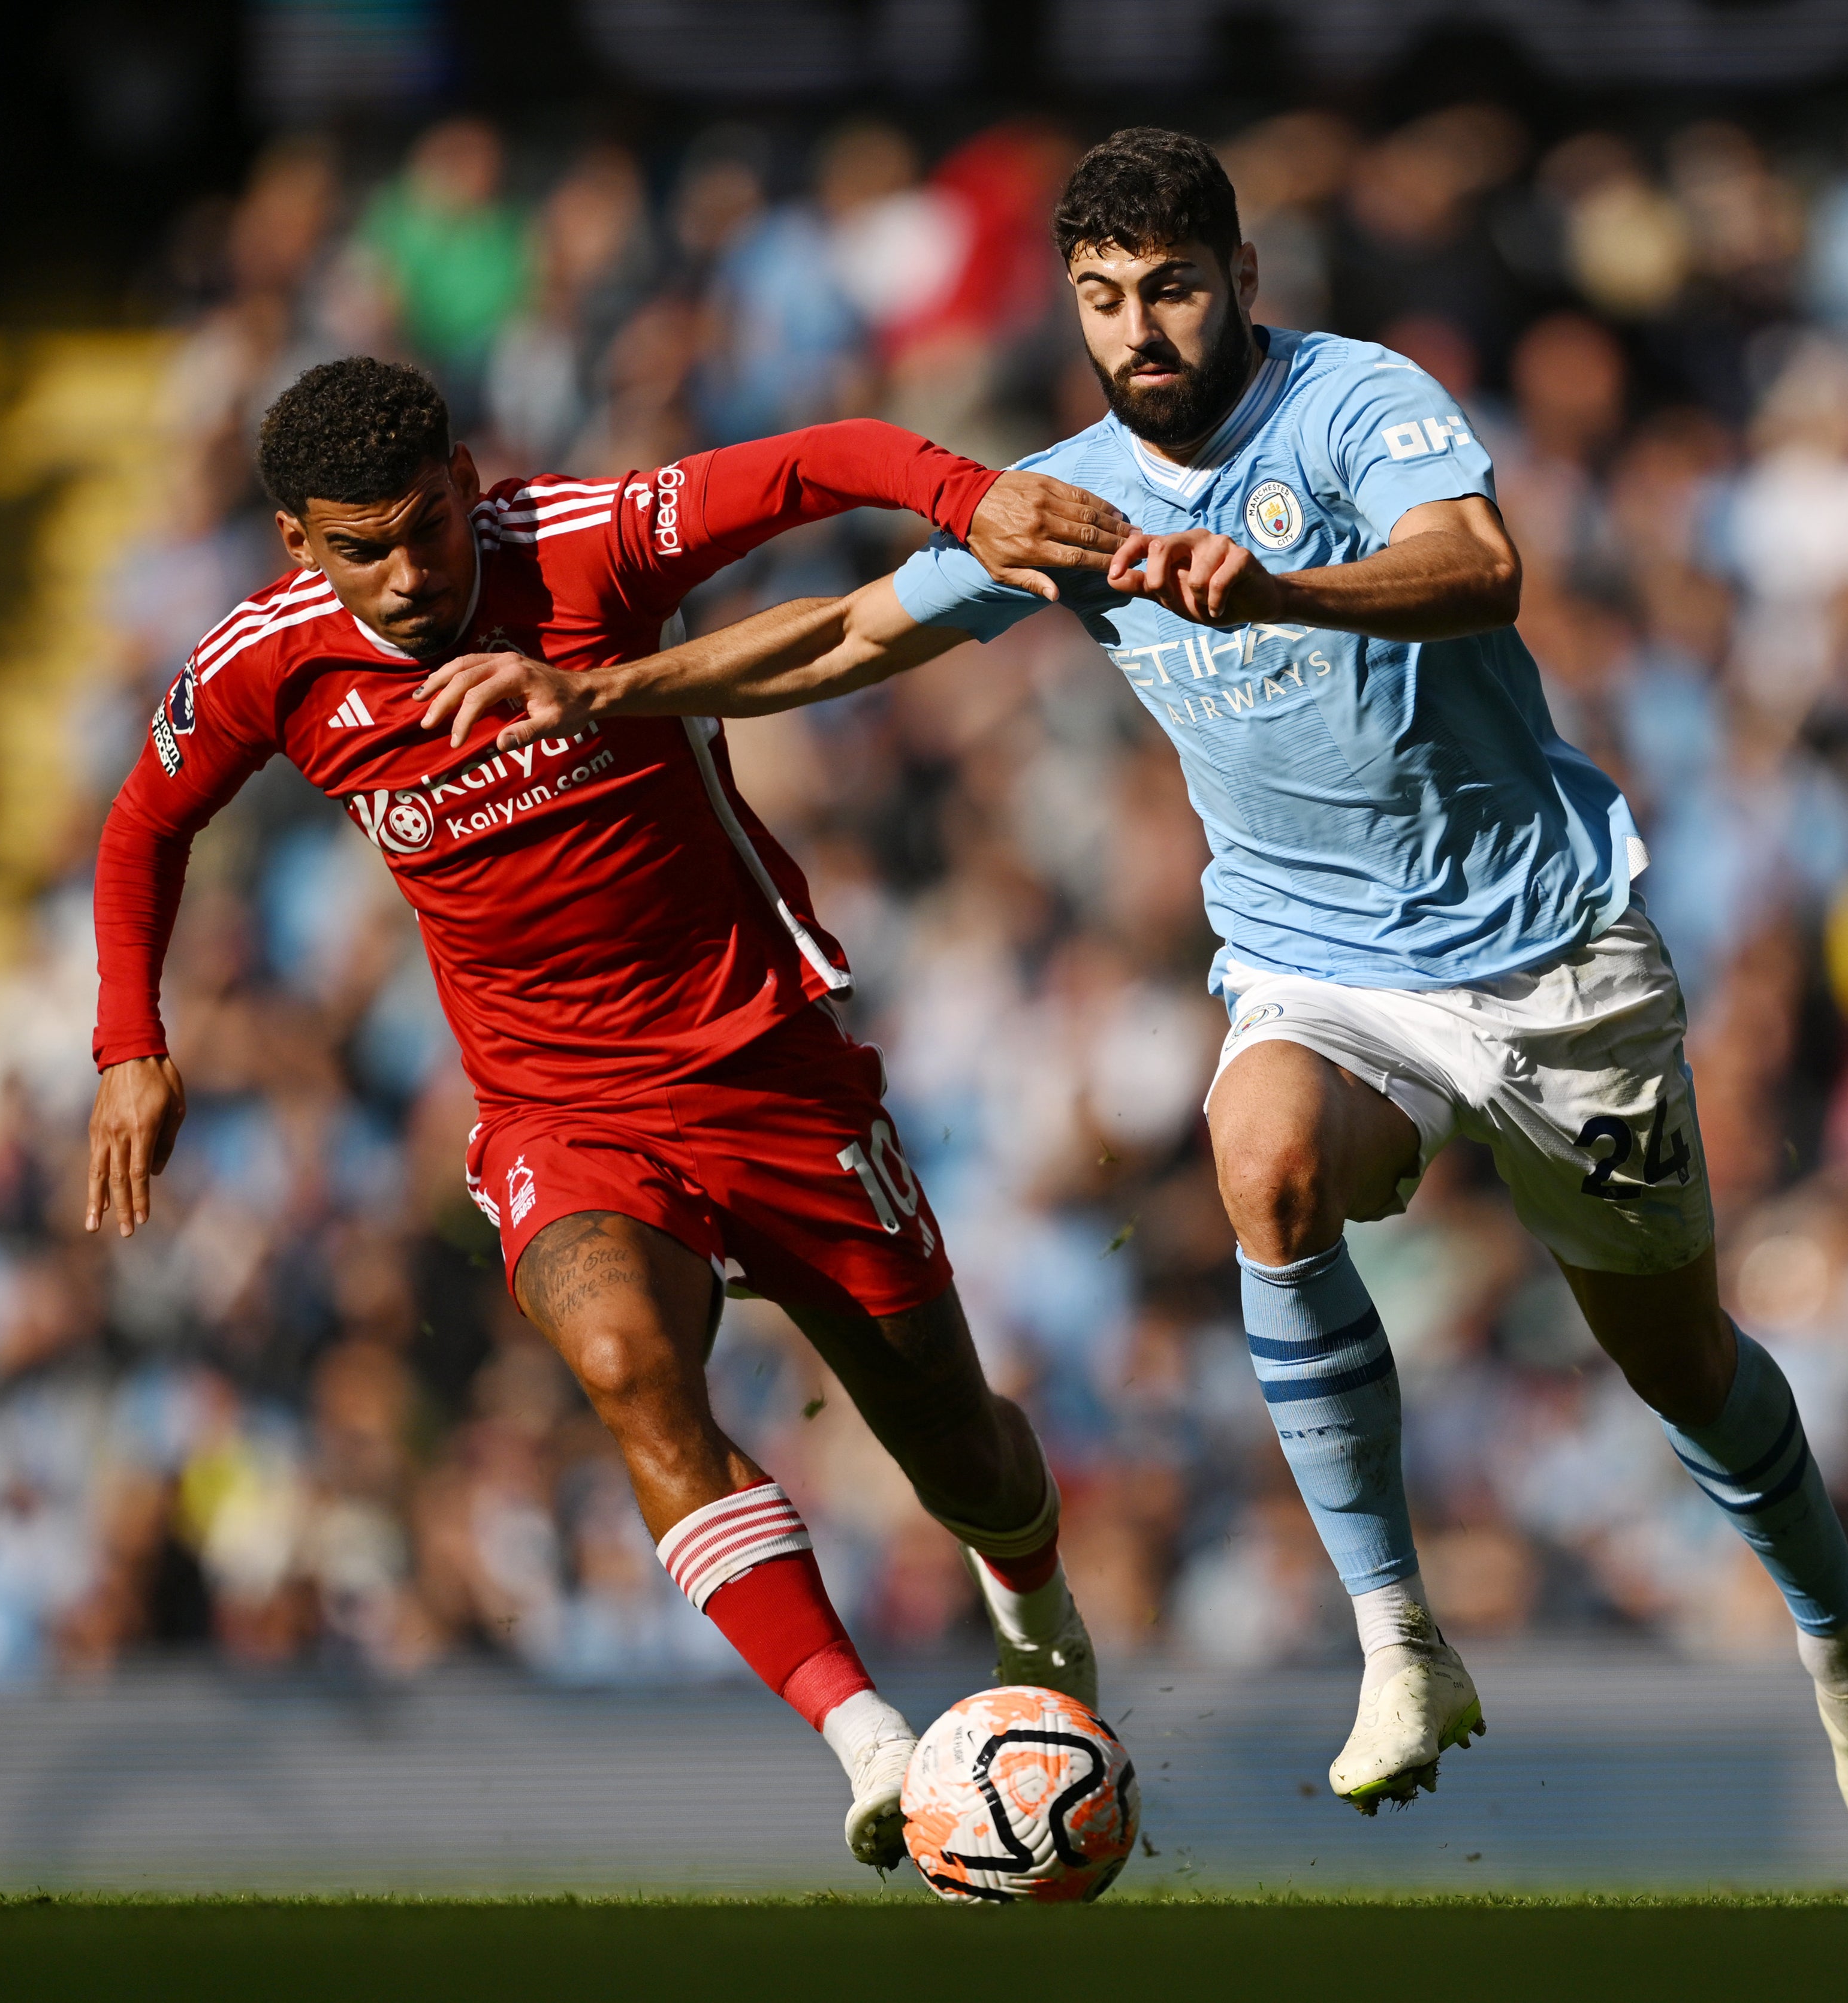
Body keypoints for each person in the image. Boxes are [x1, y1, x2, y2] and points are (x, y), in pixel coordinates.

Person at [412, 131, 1848, 1858]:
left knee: (1677, 1369)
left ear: (1237, 277)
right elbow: (848, 634)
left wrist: (1281, 581)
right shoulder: (1068, 500)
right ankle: (1399, 1638)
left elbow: (1476, 564)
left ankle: (1840, 1627)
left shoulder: (1356, 403)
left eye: (1168, 289)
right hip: (1316, 967)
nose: (1135, 329)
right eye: (1099, 299)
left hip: (1544, 959)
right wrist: (603, 687)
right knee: (1262, 1163)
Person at [83, 357, 1136, 1868]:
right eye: (357, 547)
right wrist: (131, 1043)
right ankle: (872, 1740)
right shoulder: (269, 662)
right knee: (625, 1364)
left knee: (955, 1451)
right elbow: (143, 824)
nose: (402, 576)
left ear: (463, 485)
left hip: (768, 1061)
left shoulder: (584, 542)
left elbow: (822, 458)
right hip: (558, 1110)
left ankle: (1035, 1612)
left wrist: (971, 496)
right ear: (293, 543)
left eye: (422, 530)